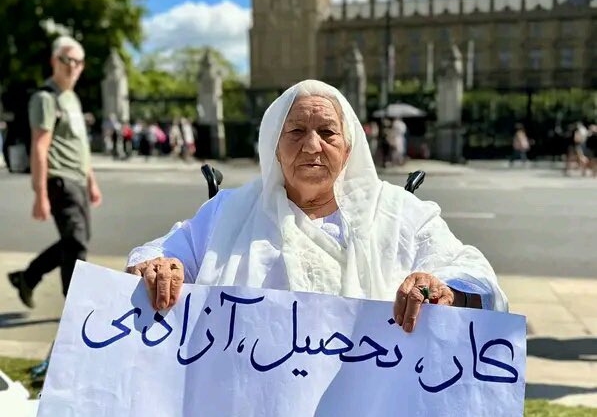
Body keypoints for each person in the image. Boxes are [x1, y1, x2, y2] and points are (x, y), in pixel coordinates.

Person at [127, 80, 506, 331]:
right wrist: (160, 267)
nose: (311, 147)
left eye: (327, 133)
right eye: (295, 132)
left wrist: (442, 289)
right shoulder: (230, 211)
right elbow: (160, 253)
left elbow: (476, 277)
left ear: (348, 147)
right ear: (274, 146)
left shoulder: (400, 213)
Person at [8, 36, 102, 309]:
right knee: (76, 243)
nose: (73, 66)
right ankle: (75, 306)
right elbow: (40, 145)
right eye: (67, 60)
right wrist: (40, 193)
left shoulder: (72, 98)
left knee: (76, 240)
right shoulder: (45, 98)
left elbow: (81, 146)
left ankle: (28, 277)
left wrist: (92, 182)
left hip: (78, 179)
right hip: (59, 179)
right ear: (54, 62)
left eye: (78, 62)